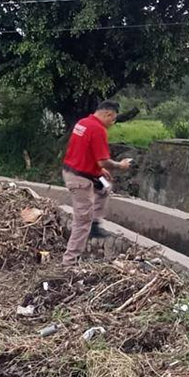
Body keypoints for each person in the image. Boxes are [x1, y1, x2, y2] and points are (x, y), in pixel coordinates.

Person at [60, 100, 133, 267]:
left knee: (105, 186)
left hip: (81, 171)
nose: (112, 123)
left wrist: (99, 171)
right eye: (113, 119)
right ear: (108, 114)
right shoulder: (98, 130)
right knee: (81, 221)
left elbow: (86, 153)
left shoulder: (83, 123)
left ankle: (95, 223)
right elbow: (103, 161)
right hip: (80, 179)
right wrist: (120, 165)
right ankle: (69, 262)